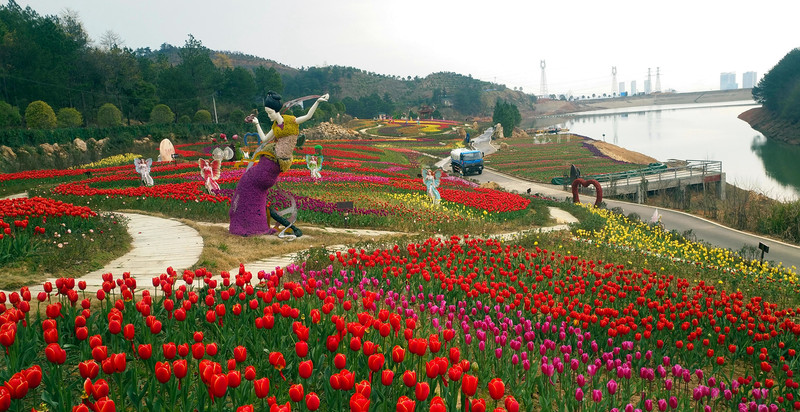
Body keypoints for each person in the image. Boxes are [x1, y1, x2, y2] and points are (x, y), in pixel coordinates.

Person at [229, 91, 329, 236]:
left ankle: (249, 225)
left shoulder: (291, 121)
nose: (269, 116)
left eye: (270, 112)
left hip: (271, 165)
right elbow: (264, 139)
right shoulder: (275, 126)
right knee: (252, 190)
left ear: (276, 110)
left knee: (247, 184)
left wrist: (318, 102)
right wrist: (257, 124)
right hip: (269, 163)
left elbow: (308, 116)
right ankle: (255, 225)